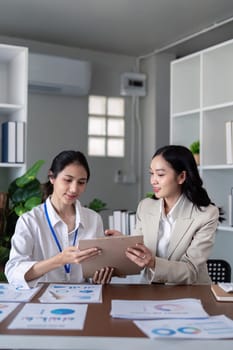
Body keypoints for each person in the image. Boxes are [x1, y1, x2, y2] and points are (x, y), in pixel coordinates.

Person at [106, 145, 220, 285]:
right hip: (151, 291)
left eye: (160, 174)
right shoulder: (145, 206)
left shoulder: (206, 214)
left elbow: (191, 270)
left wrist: (153, 263)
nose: (153, 180)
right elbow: (140, 254)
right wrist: (123, 244)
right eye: (151, 173)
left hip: (191, 293)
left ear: (181, 177)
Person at [5, 150, 113, 288]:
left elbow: (95, 270)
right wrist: (58, 260)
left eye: (81, 182)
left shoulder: (93, 219)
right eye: (68, 180)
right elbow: (13, 272)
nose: (74, 189)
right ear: (52, 177)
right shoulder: (30, 221)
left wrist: (99, 277)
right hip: (41, 300)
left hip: (85, 298)